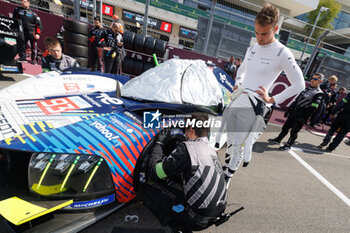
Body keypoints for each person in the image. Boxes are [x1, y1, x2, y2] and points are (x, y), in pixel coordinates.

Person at [215, 3, 305, 185]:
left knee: (239, 143)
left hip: (254, 106)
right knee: (230, 140)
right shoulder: (253, 47)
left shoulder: (282, 52)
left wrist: (272, 99)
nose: (259, 38)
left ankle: (227, 180)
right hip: (239, 99)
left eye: (264, 33)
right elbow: (242, 70)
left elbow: (300, 84)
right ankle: (224, 171)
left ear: (276, 29)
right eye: (256, 32)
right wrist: (238, 83)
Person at [140, 113, 227, 232]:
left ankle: (178, 227)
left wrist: (159, 144)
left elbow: (154, 172)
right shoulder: (211, 150)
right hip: (216, 212)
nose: (184, 133)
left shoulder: (187, 149)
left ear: (191, 130)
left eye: (185, 129)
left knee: (146, 187)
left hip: (195, 219)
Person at [268, 76, 324, 150]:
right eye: (312, 78)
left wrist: (304, 117)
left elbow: (314, 107)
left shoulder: (319, 93)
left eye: (315, 79)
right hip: (295, 111)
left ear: (320, 81)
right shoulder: (307, 88)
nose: (312, 80)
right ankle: (278, 139)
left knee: (294, 131)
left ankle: (288, 145)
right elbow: (297, 100)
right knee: (285, 127)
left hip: (302, 114)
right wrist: (290, 109)